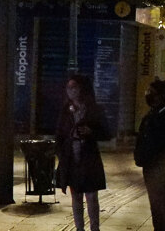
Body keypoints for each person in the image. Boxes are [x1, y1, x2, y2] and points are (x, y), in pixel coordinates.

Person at [56, 74, 112, 231]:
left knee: (92, 195)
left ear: (82, 89)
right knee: (76, 196)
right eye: (68, 88)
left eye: (74, 87)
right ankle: (79, 228)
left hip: (89, 157)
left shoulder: (93, 109)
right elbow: (59, 135)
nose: (71, 91)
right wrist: (62, 155)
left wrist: (91, 131)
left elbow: (106, 133)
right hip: (72, 157)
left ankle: (95, 227)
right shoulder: (66, 110)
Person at [135, 79, 165, 230]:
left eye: (152, 93)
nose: (149, 96)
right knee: (156, 205)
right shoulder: (151, 115)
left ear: (161, 95)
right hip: (150, 166)